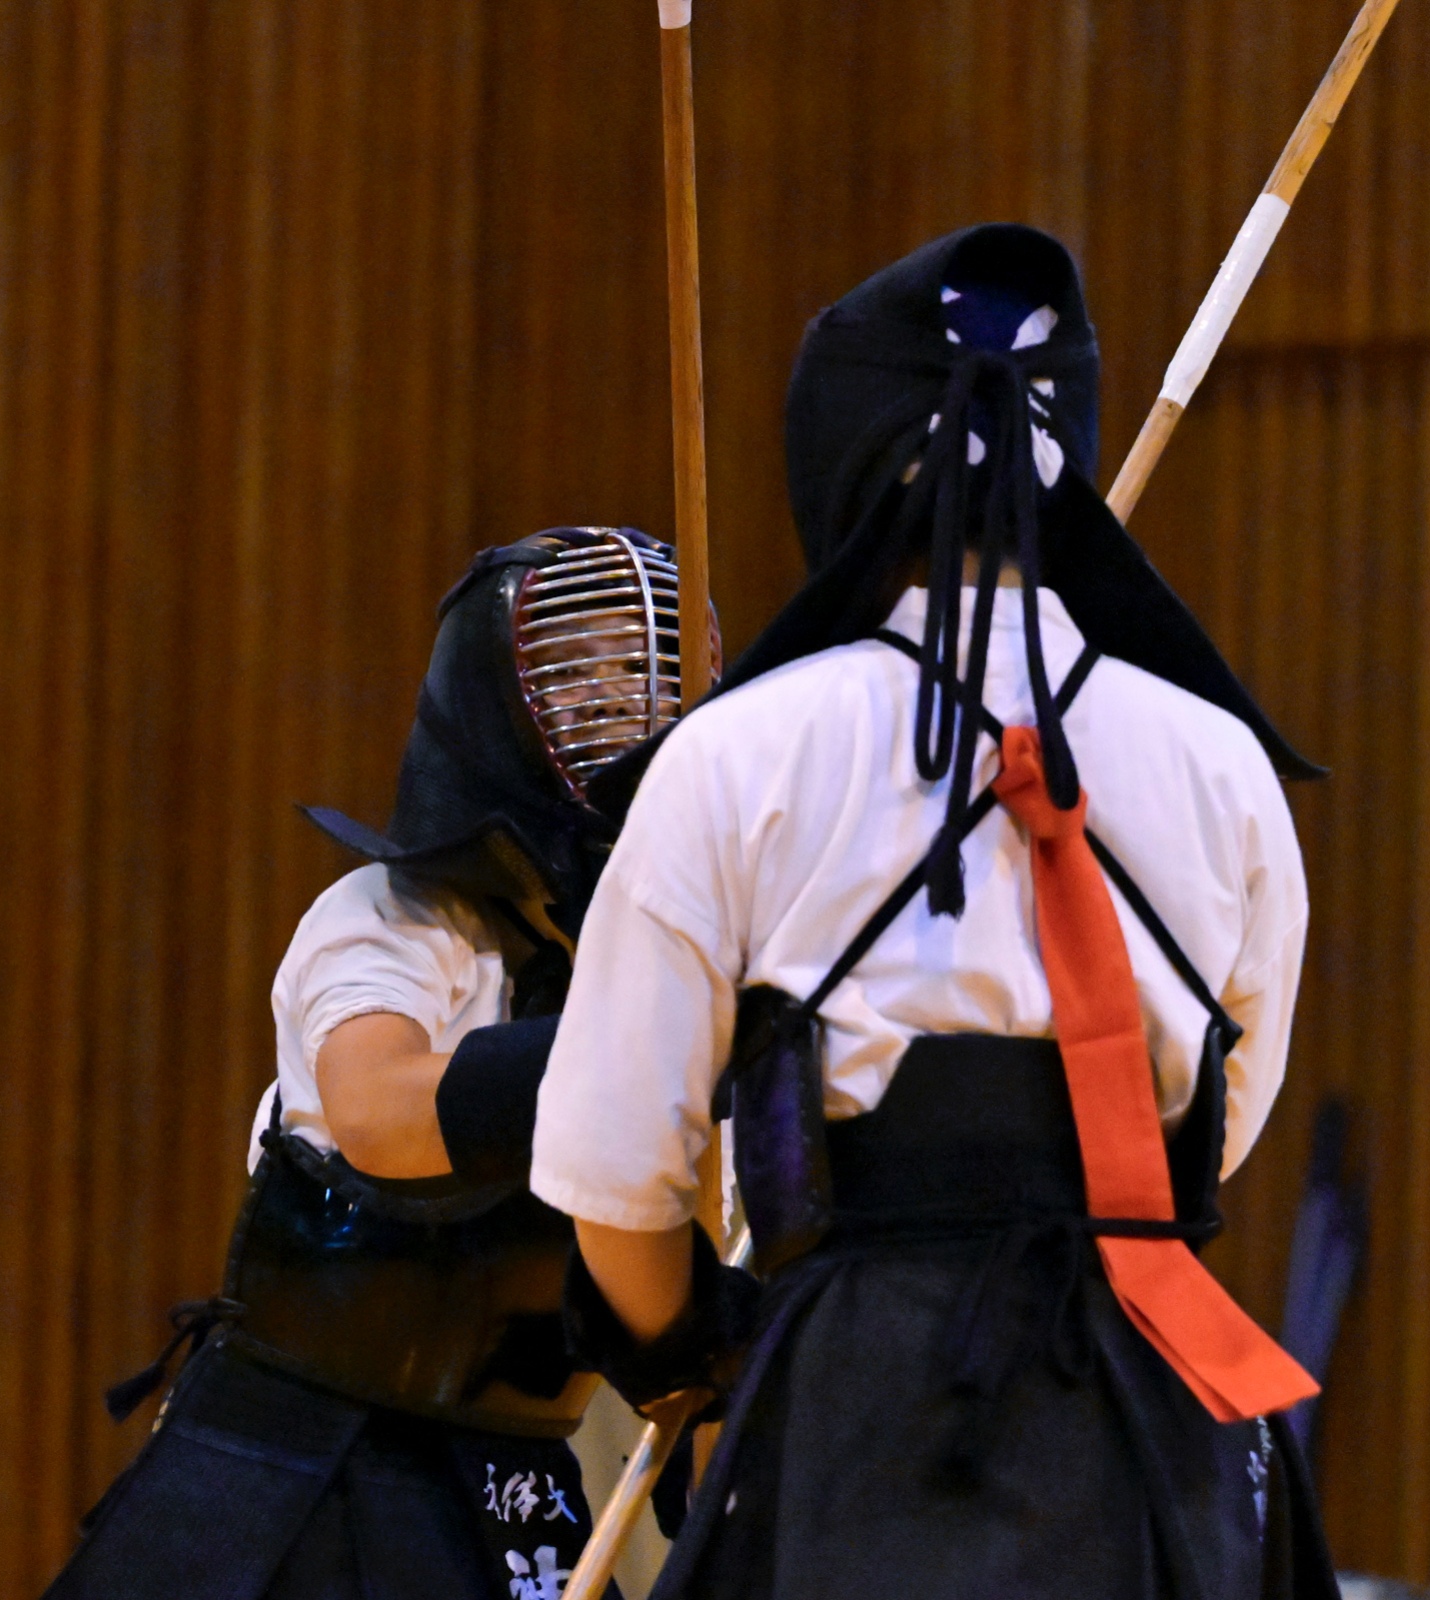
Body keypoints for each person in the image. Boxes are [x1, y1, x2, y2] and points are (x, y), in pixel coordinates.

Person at [530, 225, 1339, 1600]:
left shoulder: (737, 757)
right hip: (1142, 1406)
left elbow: (614, 1188)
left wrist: (701, 1374)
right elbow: (1217, 1132)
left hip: (851, 1408)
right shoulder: (1222, 768)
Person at [43, 527, 703, 1600]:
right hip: (315, 1459)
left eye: (642, 671)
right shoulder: (391, 915)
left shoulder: (638, 965)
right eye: (577, 671)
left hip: (509, 1470)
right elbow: (377, 1111)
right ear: (495, 703)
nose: (619, 701)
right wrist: (651, 1039)